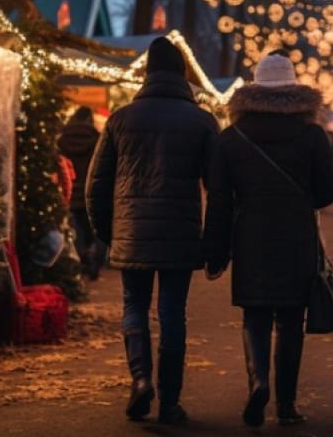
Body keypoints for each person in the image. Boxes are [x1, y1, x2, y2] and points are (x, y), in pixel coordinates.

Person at [203, 54, 333, 427]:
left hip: (250, 234)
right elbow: (331, 188)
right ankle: (286, 405)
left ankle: (258, 381)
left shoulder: (232, 137)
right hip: (297, 234)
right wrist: (302, 201)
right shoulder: (312, 135)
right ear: (295, 90)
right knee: (291, 319)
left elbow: (218, 199)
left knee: (256, 313)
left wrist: (215, 253)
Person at [85, 37, 218, 425]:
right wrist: (213, 242)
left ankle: (141, 380)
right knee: (173, 313)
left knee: (134, 308)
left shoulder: (121, 119)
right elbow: (219, 189)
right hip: (180, 235)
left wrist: (110, 233)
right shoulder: (202, 121)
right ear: (181, 74)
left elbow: (95, 185)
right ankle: (171, 402)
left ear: (145, 74)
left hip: (132, 233)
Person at [57, 107, 104, 279]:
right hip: (92, 193)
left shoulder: (62, 140)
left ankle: (83, 257)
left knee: (77, 231)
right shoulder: (98, 139)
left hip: (70, 193)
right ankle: (93, 257)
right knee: (97, 231)